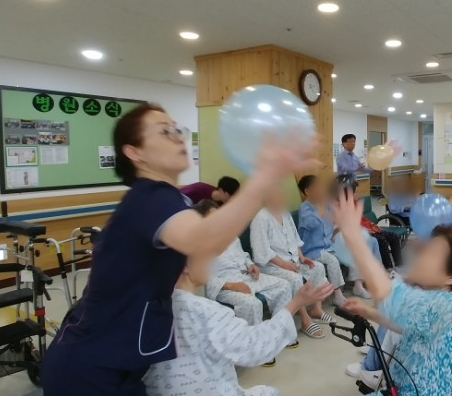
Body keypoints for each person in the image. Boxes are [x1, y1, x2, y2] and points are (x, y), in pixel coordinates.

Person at [40, 103, 318, 395]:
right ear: (135, 153)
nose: (177, 137)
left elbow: (212, 242)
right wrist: (266, 173)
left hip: (117, 365)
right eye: (164, 132)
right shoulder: (149, 198)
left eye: (177, 129)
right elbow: (204, 241)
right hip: (88, 371)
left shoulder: (170, 200)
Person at [334, 188, 452, 396]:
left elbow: (388, 295)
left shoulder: (443, 304)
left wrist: (353, 237)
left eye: (431, 253)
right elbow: (408, 323)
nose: (419, 256)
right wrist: (372, 314)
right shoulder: (447, 301)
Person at [142, 251, 334, 396]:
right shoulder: (208, 312)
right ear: (185, 265)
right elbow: (255, 347)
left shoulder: (145, 309)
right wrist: (295, 303)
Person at [193, 199, 295, 367]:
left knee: (283, 286)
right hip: (225, 285)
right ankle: (257, 348)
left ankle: (277, 332)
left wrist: (251, 265)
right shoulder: (199, 244)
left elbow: (244, 255)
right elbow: (202, 277)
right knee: (252, 303)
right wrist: (231, 285)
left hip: (246, 277)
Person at [250, 184, 336, 339]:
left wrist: (302, 257)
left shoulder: (285, 214)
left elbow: (294, 239)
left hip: (293, 260)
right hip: (271, 266)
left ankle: (316, 308)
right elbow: (261, 252)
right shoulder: (261, 219)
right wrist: (284, 264)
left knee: (317, 268)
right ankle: (305, 319)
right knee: (295, 278)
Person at [297, 174, 372, 299]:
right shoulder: (304, 208)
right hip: (313, 249)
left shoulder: (324, 205)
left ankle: (358, 286)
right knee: (332, 260)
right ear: (307, 191)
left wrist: (335, 233)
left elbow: (332, 222)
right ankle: (338, 295)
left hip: (328, 244)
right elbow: (312, 224)